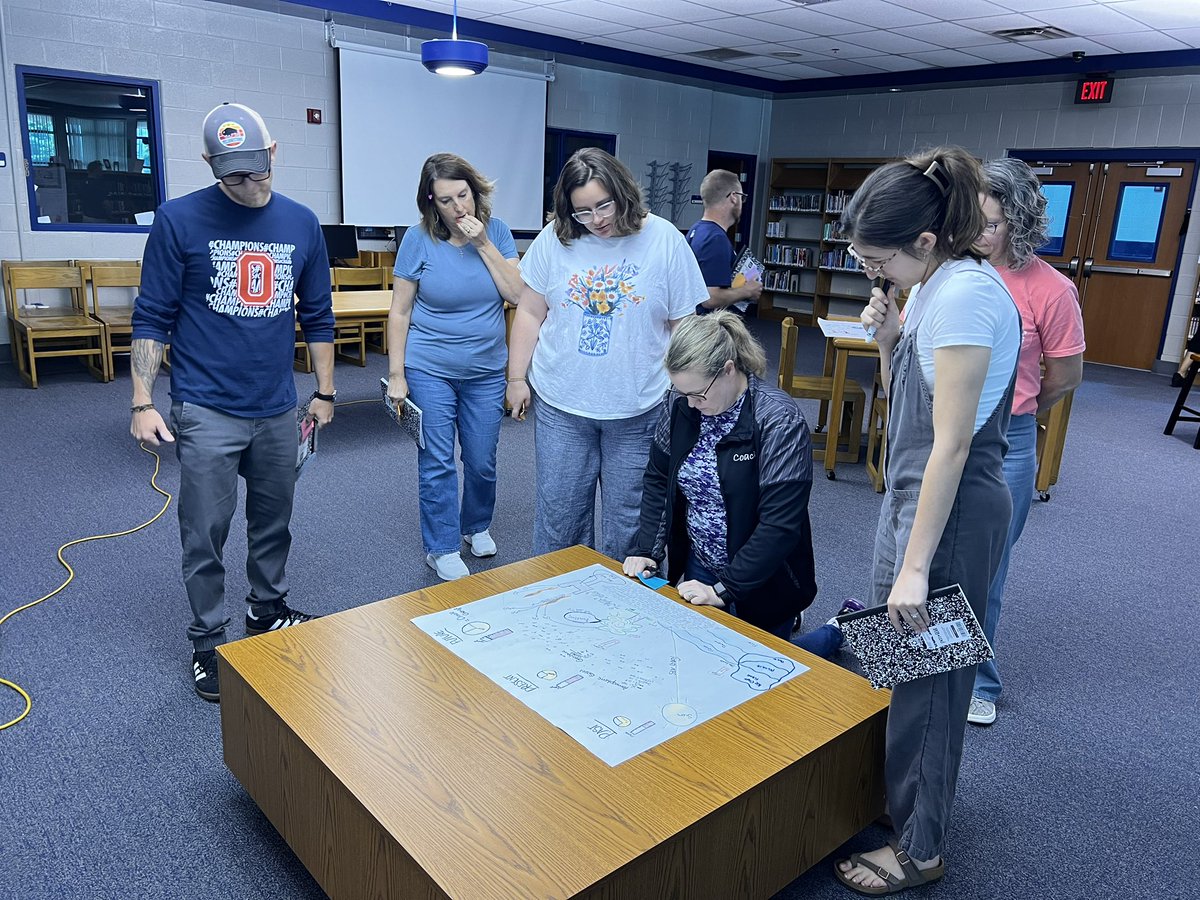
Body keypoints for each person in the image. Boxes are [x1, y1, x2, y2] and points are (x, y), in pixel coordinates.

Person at [834, 147, 1021, 895]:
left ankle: (922, 848)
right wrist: (885, 340)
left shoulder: (966, 296)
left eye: (879, 257)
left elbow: (951, 441)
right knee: (905, 671)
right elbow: (908, 406)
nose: (872, 270)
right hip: (914, 498)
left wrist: (916, 564)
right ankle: (906, 807)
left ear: (924, 241)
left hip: (950, 510)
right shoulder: (931, 288)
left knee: (936, 684)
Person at [130, 103, 336, 703]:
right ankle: (208, 641)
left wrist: (323, 393)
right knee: (206, 530)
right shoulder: (178, 220)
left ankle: (266, 610)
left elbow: (317, 317)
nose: (248, 185)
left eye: (256, 171)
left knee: (273, 522)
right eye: (233, 176)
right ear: (210, 165)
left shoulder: (302, 223)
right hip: (206, 406)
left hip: (277, 406)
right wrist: (142, 400)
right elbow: (153, 316)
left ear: (273, 154)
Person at [506, 148, 707, 561]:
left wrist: (690, 391)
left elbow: (683, 325)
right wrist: (516, 377)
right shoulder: (555, 240)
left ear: (623, 192)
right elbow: (528, 311)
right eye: (582, 211)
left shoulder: (664, 239)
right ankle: (557, 606)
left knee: (631, 526)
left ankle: (623, 615)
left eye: (604, 205)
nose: (596, 219)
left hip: (640, 408)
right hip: (563, 405)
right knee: (559, 518)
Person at [622, 312, 859, 655]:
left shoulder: (778, 420)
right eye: (682, 392)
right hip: (700, 560)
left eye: (699, 395)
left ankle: (838, 629)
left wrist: (724, 590)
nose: (690, 404)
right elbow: (660, 479)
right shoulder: (680, 402)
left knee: (770, 670)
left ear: (729, 370)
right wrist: (647, 550)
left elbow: (779, 526)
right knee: (697, 658)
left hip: (765, 575)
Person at [969, 157, 1085, 726]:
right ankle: (918, 666)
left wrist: (1019, 413)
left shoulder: (1052, 290)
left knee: (987, 565)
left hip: (1007, 438)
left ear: (1017, 221)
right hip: (943, 431)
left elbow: (1065, 376)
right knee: (923, 553)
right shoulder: (950, 275)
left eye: (989, 223)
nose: (977, 233)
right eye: (971, 220)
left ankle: (979, 682)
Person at [386, 154, 523, 581]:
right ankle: (442, 546)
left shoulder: (497, 232)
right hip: (430, 366)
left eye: (463, 195)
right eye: (446, 200)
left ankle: (476, 525)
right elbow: (400, 312)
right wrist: (396, 374)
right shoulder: (417, 238)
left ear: (475, 191)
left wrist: (483, 244)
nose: (458, 207)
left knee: (482, 459)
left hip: (485, 368)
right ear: (432, 202)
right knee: (438, 459)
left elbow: (517, 294)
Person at [686, 169, 761, 317]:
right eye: (742, 197)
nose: (742, 202)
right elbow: (709, 298)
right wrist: (748, 290)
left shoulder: (697, 230)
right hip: (708, 331)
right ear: (733, 197)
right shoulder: (715, 239)